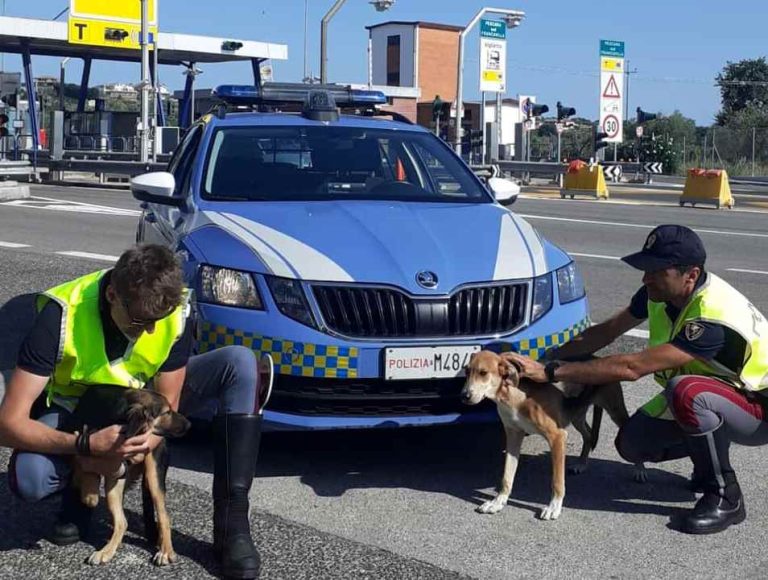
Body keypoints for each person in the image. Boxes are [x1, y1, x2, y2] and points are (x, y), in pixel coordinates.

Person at [0, 244, 267, 579]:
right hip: (77, 411)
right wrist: (86, 448)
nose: (151, 331)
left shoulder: (171, 311)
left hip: (141, 406)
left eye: (159, 320)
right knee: (32, 478)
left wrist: (126, 458)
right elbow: (7, 424)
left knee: (239, 364)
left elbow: (168, 403)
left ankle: (233, 525)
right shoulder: (61, 314)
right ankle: (78, 492)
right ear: (112, 294)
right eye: (141, 321)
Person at [505, 224, 768, 535]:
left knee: (686, 392)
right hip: (719, 394)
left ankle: (726, 496)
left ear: (691, 275)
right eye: (645, 269)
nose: (645, 278)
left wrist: (551, 373)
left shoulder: (710, 318)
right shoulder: (659, 293)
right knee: (632, 444)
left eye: (655, 270)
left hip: (757, 407)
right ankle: (706, 461)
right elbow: (605, 332)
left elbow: (633, 367)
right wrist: (549, 356)